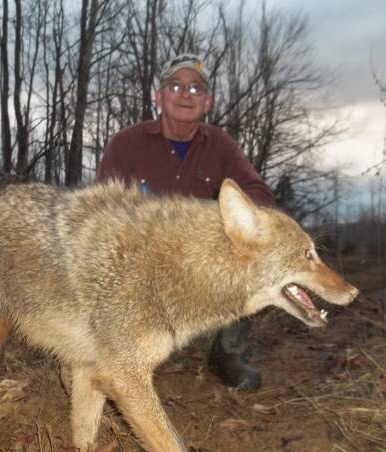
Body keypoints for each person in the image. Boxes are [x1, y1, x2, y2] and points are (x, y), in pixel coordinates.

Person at [97, 53, 276, 391]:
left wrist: (216, 223)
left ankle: (226, 352)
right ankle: (124, 349)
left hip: (200, 261)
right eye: (175, 86)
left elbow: (260, 196)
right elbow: (101, 212)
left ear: (207, 102)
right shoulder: (126, 144)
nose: (185, 94)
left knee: (260, 253)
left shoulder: (221, 144)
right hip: (142, 264)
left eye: (196, 88)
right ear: (159, 96)